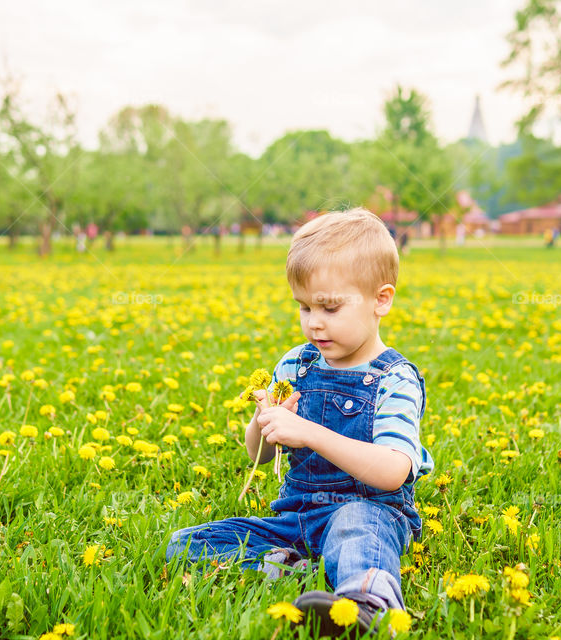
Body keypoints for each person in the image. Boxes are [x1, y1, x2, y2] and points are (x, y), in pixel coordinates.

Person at [165, 208, 432, 637]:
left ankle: (368, 605)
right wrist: (264, 421)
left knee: (356, 530)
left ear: (382, 300)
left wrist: (309, 432)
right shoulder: (295, 364)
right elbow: (260, 452)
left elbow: (391, 471)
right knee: (187, 544)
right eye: (304, 307)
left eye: (329, 307)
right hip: (298, 518)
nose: (314, 323)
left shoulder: (394, 379)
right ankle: (299, 569)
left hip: (370, 511)